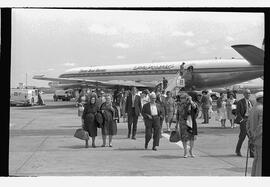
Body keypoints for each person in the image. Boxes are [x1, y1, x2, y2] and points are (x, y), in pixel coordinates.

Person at [175, 93, 198, 158]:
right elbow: (177, 114)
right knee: (184, 138)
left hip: (190, 123)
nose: (181, 99)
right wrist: (176, 124)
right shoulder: (179, 105)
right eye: (181, 98)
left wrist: (190, 101)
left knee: (192, 138)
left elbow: (195, 108)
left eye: (183, 98)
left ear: (186, 98)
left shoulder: (191, 104)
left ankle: (191, 151)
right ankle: (185, 152)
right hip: (182, 123)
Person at [247, 91, 263, 176]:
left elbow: (248, 125)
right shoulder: (262, 109)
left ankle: (254, 176)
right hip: (260, 138)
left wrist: (251, 136)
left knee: (256, 159)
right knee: (261, 161)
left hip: (255, 139)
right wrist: (255, 136)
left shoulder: (253, 108)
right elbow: (261, 126)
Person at [235, 89, 254, 157]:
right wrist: (242, 120)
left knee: (251, 137)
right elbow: (238, 112)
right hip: (244, 120)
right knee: (242, 137)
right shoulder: (240, 102)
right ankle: (238, 151)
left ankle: (252, 153)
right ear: (244, 94)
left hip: (251, 120)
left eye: (249, 93)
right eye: (247, 93)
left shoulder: (252, 102)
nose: (248, 94)